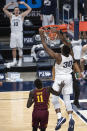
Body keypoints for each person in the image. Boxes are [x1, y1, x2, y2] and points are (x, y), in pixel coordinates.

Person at [39, 29, 82, 131]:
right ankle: (71, 119)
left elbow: (46, 48)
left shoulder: (58, 57)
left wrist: (42, 37)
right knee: (67, 100)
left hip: (60, 79)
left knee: (54, 99)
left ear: (62, 51)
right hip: (68, 79)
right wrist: (59, 34)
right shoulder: (71, 55)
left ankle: (60, 117)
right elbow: (66, 43)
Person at [3, 1, 32, 67]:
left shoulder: (21, 16)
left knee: (20, 48)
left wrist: (24, 3)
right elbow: (4, 9)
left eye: (17, 10)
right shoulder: (11, 16)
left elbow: (30, 9)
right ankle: (14, 61)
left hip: (19, 34)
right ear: (13, 11)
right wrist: (10, 4)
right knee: (13, 48)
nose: (16, 11)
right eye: (15, 10)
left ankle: (20, 61)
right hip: (13, 34)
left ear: (19, 11)